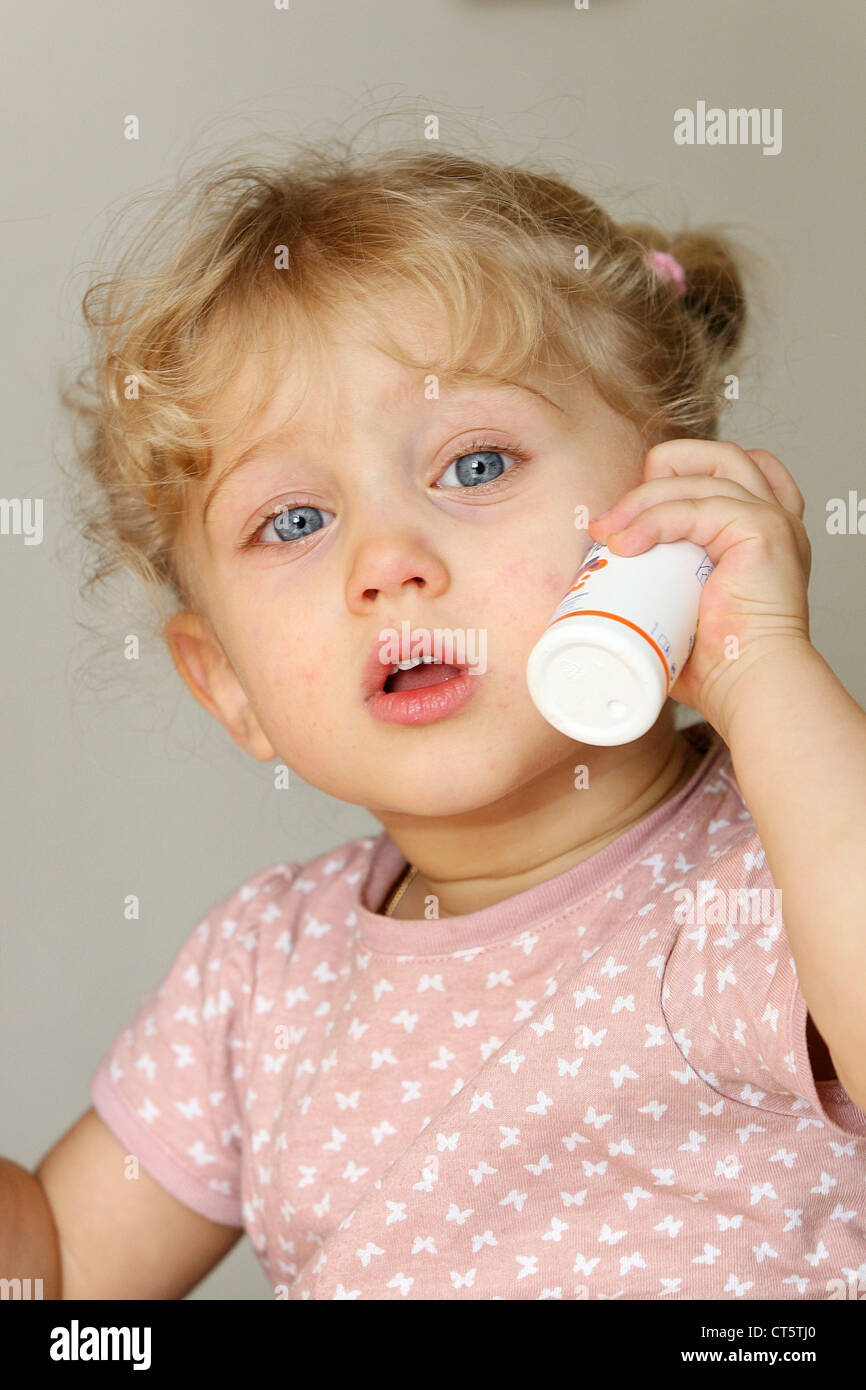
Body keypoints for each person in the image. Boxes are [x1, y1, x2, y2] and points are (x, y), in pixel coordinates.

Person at [11, 142, 866, 1301]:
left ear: (663, 521)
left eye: (473, 464)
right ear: (227, 685)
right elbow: (55, 1284)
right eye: (295, 519)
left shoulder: (775, 873)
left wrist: (762, 666)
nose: (387, 562)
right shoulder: (260, 979)